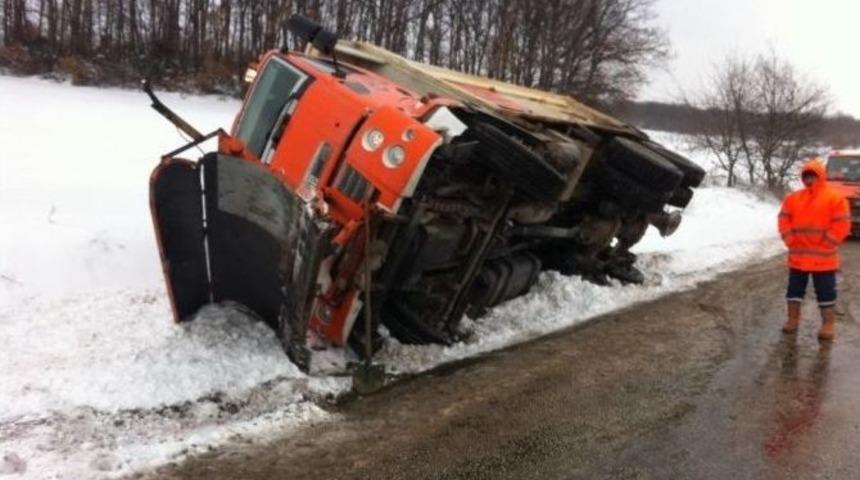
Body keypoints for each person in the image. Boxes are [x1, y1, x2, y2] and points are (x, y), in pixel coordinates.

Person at [778, 159, 851, 340]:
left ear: (821, 176)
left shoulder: (835, 198)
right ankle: (793, 320)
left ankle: (828, 324)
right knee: (794, 291)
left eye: (813, 176)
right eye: (806, 176)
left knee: (826, 292)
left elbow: (842, 224)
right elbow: (783, 219)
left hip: (823, 258)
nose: (809, 179)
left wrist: (828, 242)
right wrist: (789, 239)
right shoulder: (793, 198)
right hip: (798, 256)